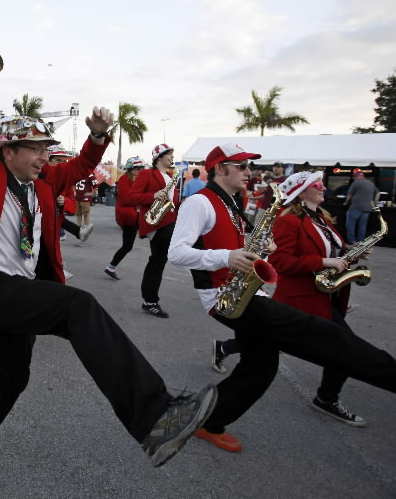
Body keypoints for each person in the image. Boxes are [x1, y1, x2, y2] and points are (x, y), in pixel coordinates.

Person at [0, 45, 218, 496]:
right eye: (35, 149)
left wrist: (98, 137)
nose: (44, 157)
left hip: (24, 290)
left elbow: (82, 166)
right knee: (79, 306)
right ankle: (155, 417)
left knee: (12, 379)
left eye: (46, 149)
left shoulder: (43, 183)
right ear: (8, 149)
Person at [168, 143, 396, 453]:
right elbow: (177, 252)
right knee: (326, 336)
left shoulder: (231, 202)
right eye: (242, 167)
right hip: (227, 297)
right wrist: (227, 256)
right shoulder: (199, 202)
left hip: (244, 291)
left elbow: (233, 249)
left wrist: (260, 250)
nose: (250, 172)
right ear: (221, 169)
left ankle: (209, 421)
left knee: (260, 367)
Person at [122, 143, 179, 318]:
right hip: (157, 224)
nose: (172, 157)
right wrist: (152, 195)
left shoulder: (170, 177)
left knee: (158, 261)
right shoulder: (147, 173)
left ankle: (150, 300)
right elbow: (131, 197)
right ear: (159, 157)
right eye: (169, 154)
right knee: (158, 261)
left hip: (169, 220)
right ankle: (149, 301)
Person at [104, 156, 144, 280]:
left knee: (128, 245)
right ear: (131, 169)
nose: (139, 171)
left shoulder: (134, 179)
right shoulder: (124, 180)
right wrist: (143, 199)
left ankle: (111, 267)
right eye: (137, 168)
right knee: (127, 246)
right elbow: (127, 199)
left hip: (134, 215)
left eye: (140, 168)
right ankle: (111, 267)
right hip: (128, 216)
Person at [344, 171, 379, 243]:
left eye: (354, 176)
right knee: (362, 225)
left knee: (350, 224)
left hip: (356, 206)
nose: (353, 178)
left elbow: (350, 194)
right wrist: (374, 203)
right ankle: (361, 240)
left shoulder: (356, 182)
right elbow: (378, 193)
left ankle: (352, 241)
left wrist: (346, 202)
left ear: (358, 176)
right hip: (368, 207)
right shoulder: (371, 183)